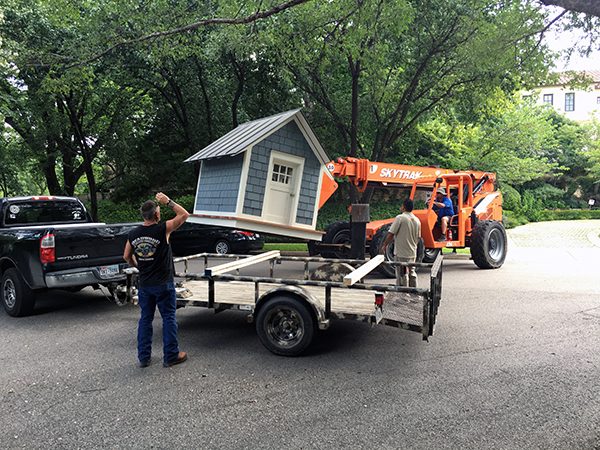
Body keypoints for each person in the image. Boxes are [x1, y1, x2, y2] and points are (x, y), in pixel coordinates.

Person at [123, 192, 190, 368]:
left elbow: (126, 256)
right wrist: (167, 201)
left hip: (145, 284)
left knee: (145, 319)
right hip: (163, 284)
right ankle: (171, 356)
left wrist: (139, 265)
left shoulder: (133, 234)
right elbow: (184, 215)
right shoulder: (163, 229)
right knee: (168, 317)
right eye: (159, 210)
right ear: (157, 214)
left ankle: (144, 358)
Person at [380, 198, 421, 287]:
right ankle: (414, 291)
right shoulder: (417, 220)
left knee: (402, 274)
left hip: (401, 253)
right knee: (412, 272)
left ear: (404, 207)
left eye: (402, 205)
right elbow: (418, 237)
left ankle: (403, 292)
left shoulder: (400, 218)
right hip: (412, 252)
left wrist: (384, 245)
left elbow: (391, 233)